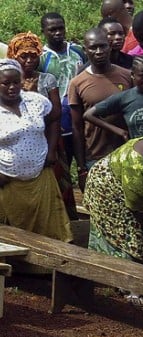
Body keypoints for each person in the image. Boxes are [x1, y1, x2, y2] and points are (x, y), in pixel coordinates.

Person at [84, 132, 143, 268]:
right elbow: (140, 212)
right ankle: (126, 274)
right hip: (108, 188)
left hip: (137, 187)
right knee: (134, 239)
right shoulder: (136, 168)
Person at [0, 58, 71, 242]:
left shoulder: (36, 101)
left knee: (49, 231)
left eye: (16, 82)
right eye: (5, 83)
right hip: (8, 183)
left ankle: (46, 270)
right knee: (11, 236)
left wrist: (51, 149)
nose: (12, 87)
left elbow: (55, 118)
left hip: (41, 179)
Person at [8, 31, 76, 219]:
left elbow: (55, 114)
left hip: (48, 138)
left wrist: (33, 96)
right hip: (17, 143)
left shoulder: (47, 79)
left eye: (33, 55)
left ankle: (60, 222)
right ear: (14, 56)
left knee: (55, 182)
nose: (29, 60)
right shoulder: (9, 82)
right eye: (24, 56)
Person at [68, 28, 133, 184]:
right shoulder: (77, 83)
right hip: (95, 156)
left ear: (109, 46)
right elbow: (77, 127)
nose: (99, 52)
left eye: (102, 46)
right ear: (85, 50)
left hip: (126, 153)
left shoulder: (126, 76)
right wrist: (81, 167)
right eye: (93, 47)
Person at [40, 13, 85, 170]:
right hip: (56, 123)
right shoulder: (41, 58)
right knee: (59, 170)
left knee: (83, 165)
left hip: (80, 119)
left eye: (61, 28)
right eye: (52, 30)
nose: (58, 33)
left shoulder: (78, 51)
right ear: (43, 31)